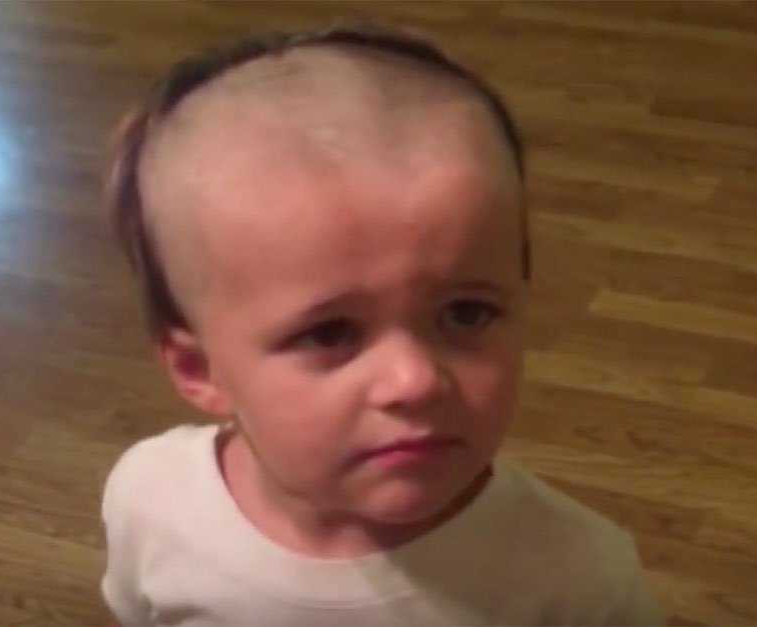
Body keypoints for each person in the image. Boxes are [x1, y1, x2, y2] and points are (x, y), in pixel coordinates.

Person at [99, 22, 663, 627]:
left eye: (466, 313)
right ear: (198, 369)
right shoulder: (152, 501)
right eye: (329, 333)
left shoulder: (577, 578)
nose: (415, 380)